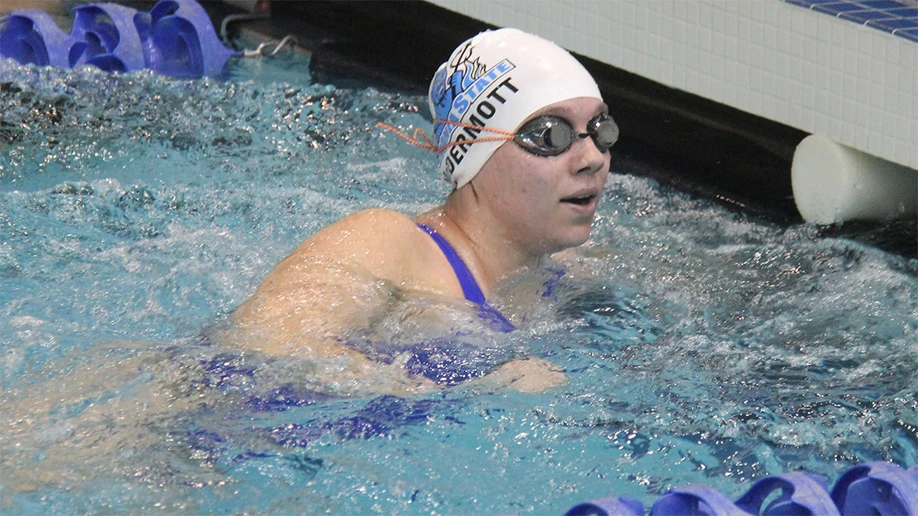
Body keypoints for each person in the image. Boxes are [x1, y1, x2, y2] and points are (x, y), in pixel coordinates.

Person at [223, 28, 619, 395]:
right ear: (473, 151)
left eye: (600, 129)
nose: (592, 158)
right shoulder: (388, 244)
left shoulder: (567, 267)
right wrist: (471, 390)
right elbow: (265, 344)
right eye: (551, 135)